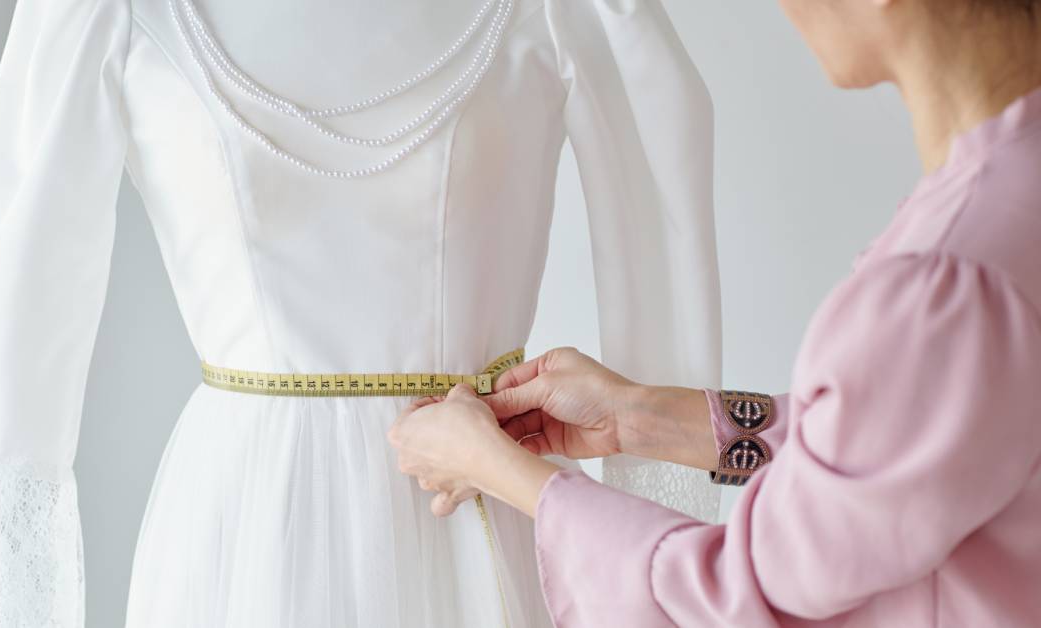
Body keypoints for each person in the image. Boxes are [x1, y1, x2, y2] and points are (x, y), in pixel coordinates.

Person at [387, 0, 1041, 625]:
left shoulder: (950, 279)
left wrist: (502, 473)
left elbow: (746, 600)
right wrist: (641, 416)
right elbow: (905, 447)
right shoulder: (1008, 212)